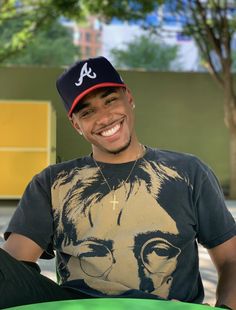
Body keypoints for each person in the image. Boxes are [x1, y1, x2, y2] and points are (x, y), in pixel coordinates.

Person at [0, 56, 236, 309]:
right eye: (87, 111)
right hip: (79, 308)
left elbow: (231, 259)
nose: (104, 117)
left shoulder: (189, 172)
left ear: (129, 98)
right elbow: (13, 272)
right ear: (75, 124)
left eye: (110, 100)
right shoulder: (52, 182)